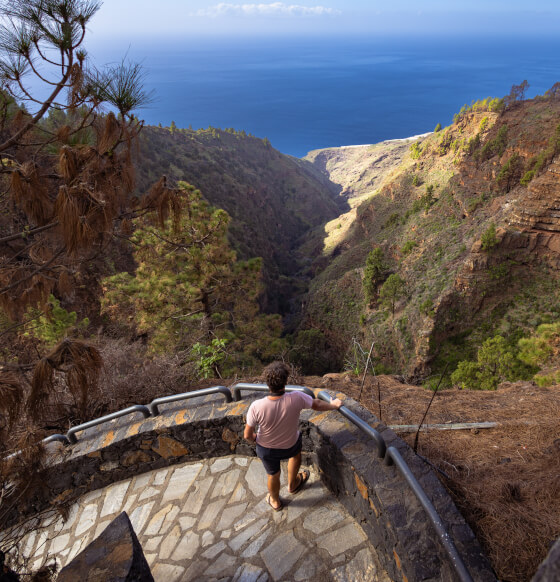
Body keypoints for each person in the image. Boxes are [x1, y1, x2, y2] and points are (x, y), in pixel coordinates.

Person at [244, 361, 343, 511]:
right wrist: (334, 405)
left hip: (267, 449)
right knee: (295, 455)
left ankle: (275, 501)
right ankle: (293, 484)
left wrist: (256, 439)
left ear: (267, 383)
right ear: (285, 381)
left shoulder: (256, 406)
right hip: (290, 444)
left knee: (272, 475)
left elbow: (247, 435)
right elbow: (316, 404)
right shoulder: (296, 397)